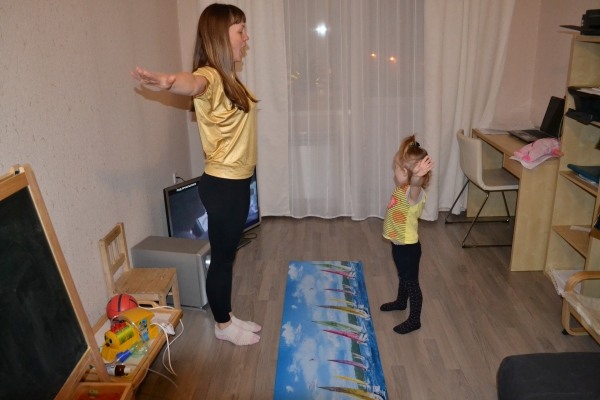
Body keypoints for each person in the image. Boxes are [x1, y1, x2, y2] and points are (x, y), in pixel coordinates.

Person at [130, 3, 261, 346]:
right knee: (222, 260)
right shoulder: (212, 76)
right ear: (220, 36)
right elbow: (194, 83)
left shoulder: (228, 78)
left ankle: (227, 315)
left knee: (227, 258)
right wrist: (170, 81)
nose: (246, 38)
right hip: (224, 185)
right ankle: (222, 325)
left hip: (236, 182)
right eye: (240, 31)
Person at [380, 135, 434, 334]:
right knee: (403, 276)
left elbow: (417, 184)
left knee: (412, 283)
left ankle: (414, 320)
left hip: (408, 249)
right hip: (398, 245)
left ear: (405, 172)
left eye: (395, 167)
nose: (393, 169)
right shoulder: (402, 188)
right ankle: (401, 302)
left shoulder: (413, 194)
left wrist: (417, 176)